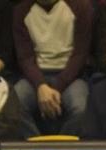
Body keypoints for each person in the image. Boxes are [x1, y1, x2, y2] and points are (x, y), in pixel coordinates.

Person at [13, 0, 91, 137]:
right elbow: (25, 57)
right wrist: (41, 85)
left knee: (81, 108)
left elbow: (80, 55)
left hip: (70, 75)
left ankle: (61, 147)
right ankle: (36, 147)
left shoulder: (81, 7)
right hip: (35, 76)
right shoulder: (21, 11)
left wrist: (57, 86)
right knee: (13, 104)